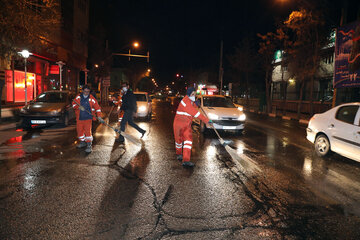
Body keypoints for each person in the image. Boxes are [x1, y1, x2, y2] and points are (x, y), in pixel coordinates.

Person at [173, 87, 212, 167]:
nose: (194, 95)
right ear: (189, 94)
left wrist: (195, 104)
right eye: (192, 94)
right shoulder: (185, 102)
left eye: (195, 94)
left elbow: (192, 108)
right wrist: (206, 120)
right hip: (178, 125)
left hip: (186, 125)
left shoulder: (190, 101)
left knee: (188, 141)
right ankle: (179, 153)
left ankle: (186, 160)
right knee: (178, 141)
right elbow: (195, 113)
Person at [72, 85, 105, 153]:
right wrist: (78, 107)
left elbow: (97, 108)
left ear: (89, 92)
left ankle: (89, 146)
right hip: (80, 118)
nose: (86, 93)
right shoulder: (78, 97)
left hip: (88, 118)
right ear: (82, 91)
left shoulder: (91, 98)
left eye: (88, 92)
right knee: (80, 131)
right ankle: (82, 142)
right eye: (85, 91)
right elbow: (73, 105)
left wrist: (99, 116)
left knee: (88, 132)